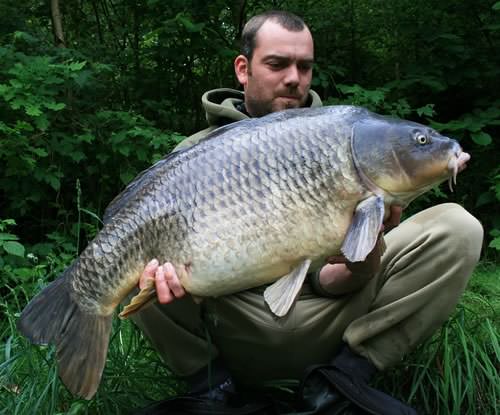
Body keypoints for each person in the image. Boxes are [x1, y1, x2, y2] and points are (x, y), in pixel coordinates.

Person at [131, 11, 483, 415]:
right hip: (234, 328)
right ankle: (210, 387)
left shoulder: (340, 140)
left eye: (305, 66)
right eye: (278, 64)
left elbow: (332, 282)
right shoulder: (194, 155)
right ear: (243, 69)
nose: (294, 78)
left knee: (458, 227)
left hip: (329, 321)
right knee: (132, 250)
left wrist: (364, 257)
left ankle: (342, 383)